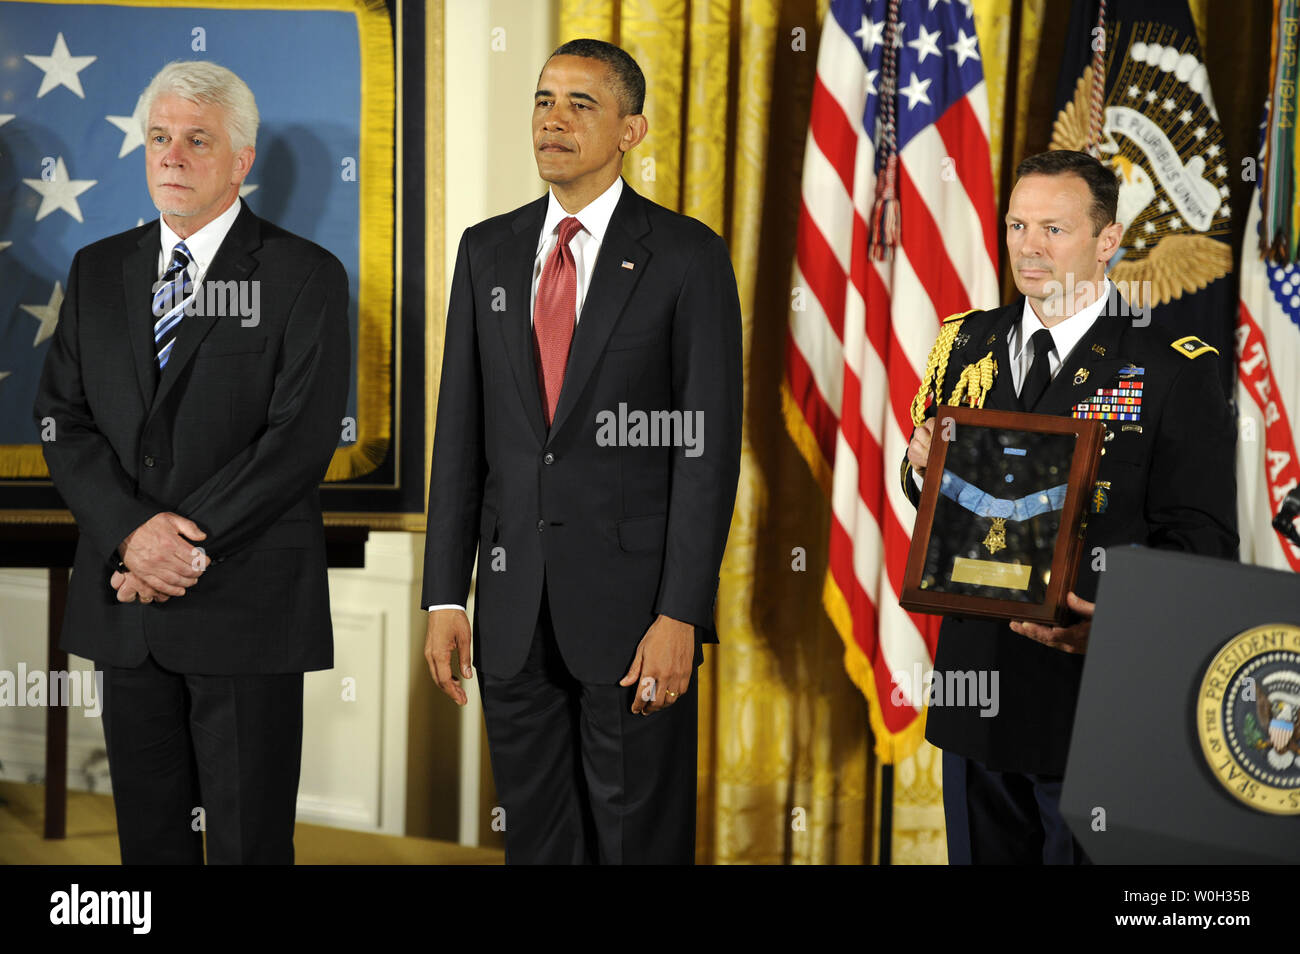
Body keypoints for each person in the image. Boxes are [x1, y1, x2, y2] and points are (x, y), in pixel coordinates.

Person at [421, 38, 742, 864]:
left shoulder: (686, 255)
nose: (553, 120)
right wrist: (444, 598)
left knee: (636, 840)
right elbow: (460, 438)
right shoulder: (485, 250)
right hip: (511, 612)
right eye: (542, 100)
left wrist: (682, 613)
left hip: (636, 622)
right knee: (537, 840)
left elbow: (706, 456)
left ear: (631, 131)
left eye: (580, 105)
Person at [34, 61, 350, 864]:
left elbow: (299, 441)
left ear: (241, 161)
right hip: (126, 606)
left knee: (247, 845)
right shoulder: (98, 270)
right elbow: (61, 422)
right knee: (148, 845)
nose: (171, 156)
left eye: (196, 140)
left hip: (245, 608)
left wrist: (176, 547)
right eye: (159, 138)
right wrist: (130, 536)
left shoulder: (304, 275)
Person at [902, 149, 1236, 864]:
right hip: (976, 692)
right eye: (1018, 225)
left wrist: (1118, 622)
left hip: (1095, 700)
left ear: (1107, 241)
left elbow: (1204, 543)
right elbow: (934, 498)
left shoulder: (1173, 364)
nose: (1029, 246)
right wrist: (917, 464)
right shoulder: (966, 344)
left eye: (1054, 229)